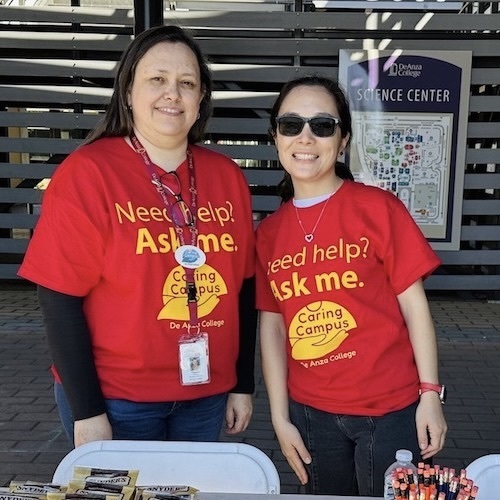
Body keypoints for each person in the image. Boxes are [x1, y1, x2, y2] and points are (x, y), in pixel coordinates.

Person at [18, 25, 256, 448]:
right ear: (127, 91)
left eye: (187, 83)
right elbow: (58, 297)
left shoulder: (227, 176)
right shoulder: (89, 173)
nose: (173, 93)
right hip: (117, 399)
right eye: (157, 79)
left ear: (201, 99)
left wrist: (242, 383)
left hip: (205, 393)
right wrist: (88, 412)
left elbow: (243, 287)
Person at [255, 75, 447, 497]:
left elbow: (416, 309)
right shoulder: (268, 233)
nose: (306, 137)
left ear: (342, 141)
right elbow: (272, 327)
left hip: (391, 410)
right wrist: (279, 416)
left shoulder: (378, 208)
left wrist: (431, 394)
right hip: (310, 414)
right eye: (291, 125)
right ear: (276, 137)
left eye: (322, 125)